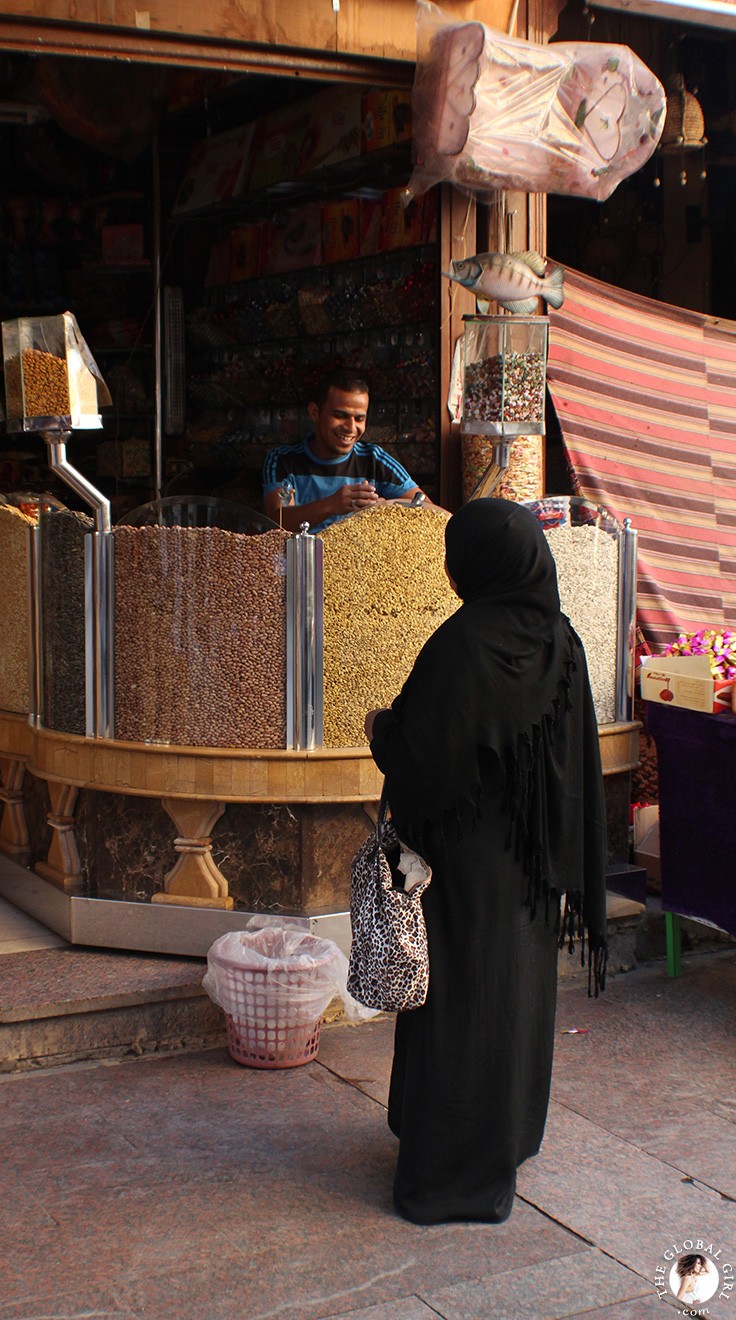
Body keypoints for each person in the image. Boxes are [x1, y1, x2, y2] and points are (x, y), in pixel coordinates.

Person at [364, 497, 608, 1226]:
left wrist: (382, 730)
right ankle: (501, 1145)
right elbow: (572, 761)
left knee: (459, 1005)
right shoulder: (563, 643)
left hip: (461, 870)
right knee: (514, 1000)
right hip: (531, 871)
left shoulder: (462, 644)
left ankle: (446, 1175)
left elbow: (423, 765)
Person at [262, 370, 428, 533]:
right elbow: (279, 521)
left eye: (359, 419)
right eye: (340, 416)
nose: (350, 428)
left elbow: (433, 512)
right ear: (315, 412)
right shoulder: (282, 459)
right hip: (301, 558)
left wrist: (384, 508)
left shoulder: (375, 460)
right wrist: (332, 505)